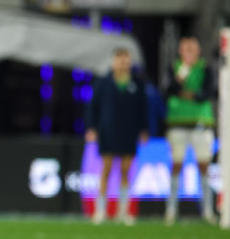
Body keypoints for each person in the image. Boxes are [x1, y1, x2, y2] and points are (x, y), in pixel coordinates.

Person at [85, 48, 149, 225]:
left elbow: (142, 108)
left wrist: (144, 128)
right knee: (106, 169)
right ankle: (101, 210)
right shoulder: (103, 82)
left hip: (129, 131)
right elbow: (93, 106)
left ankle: (123, 211)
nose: (123, 63)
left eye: (126, 60)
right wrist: (92, 127)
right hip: (108, 130)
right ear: (113, 62)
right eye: (119, 60)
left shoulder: (136, 83)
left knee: (126, 170)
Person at [164, 37, 217, 225]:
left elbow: (209, 92)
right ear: (180, 50)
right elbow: (170, 90)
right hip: (178, 123)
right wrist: (181, 75)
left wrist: (190, 95)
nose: (189, 52)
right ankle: (171, 210)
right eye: (185, 48)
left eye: (192, 48)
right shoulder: (174, 68)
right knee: (176, 164)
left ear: (198, 50)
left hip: (201, 123)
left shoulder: (205, 68)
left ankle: (208, 210)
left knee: (204, 166)